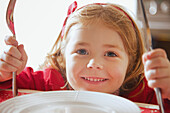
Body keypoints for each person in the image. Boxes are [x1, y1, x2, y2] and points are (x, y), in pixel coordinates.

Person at [0, 1, 170, 112]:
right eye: (82, 51)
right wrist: (5, 72)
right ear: (63, 55)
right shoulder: (48, 81)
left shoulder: (144, 92)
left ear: (131, 62)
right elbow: (5, 89)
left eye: (110, 54)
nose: (94, 64)